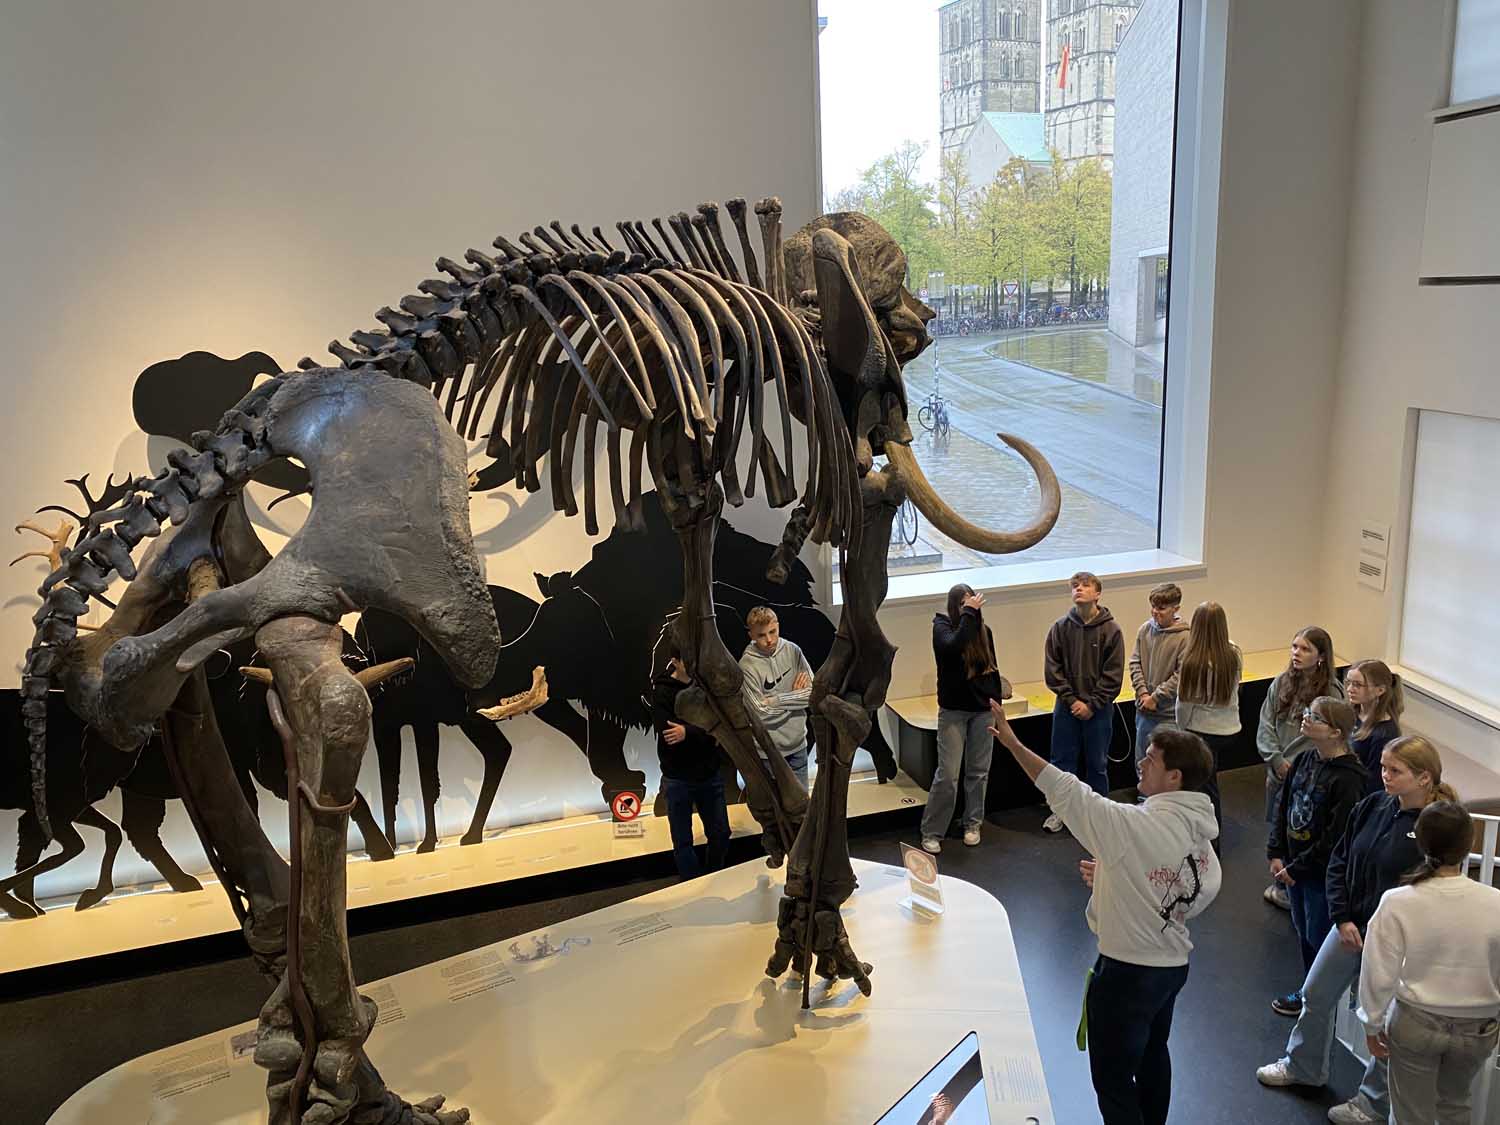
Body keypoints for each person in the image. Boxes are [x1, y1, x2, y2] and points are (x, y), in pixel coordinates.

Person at [987, 703, 1221, 1125]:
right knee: (1153, 1054)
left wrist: (1013, 743)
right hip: (1171, 968)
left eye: (1151, 758)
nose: (1141, 762)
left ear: (1175, 777)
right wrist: (1117, 878)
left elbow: (1066, 790)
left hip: (1126, 974)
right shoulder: (1200, 834)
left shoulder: (1129, 825)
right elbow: (1197, 889)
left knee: (1112, 1079)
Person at [1256, 735, 1458, 1124]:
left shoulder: (1436, 827)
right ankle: (1304, 1067)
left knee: (1388, 1024)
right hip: (1349, 928)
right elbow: (1340, 859)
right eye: (1383, 767)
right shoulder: (1372, 805)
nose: (1384, 776)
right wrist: (1342, 917)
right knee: (1315, 994)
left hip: (1399, 943)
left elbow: (1433, 891)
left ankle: (1372, 1104)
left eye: (1394, 771)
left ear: (1424, 777)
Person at [1359, 801, 1500, 1125]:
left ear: (1420, 842)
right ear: (1469, 845)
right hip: (1477, 1028)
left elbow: (1379, 971)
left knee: (1410, 1115)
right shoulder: (1495, 902)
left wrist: (1372, 1023)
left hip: (1416, 1023)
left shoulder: (1398, 902)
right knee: (1455, 1107)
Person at [1267, 696, 1367, 1017]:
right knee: (1303, 930)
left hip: (1319, 874)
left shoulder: (1349, 778)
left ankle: (1318, 997)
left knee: (1319, 934)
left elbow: (1336, 835)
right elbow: (1282, 807)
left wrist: (1298, 867)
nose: (1306, 719)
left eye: (1316, 718)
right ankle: (1310, 989)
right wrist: (1276, 851)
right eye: (1308, 712)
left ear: (1337, 732)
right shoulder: (1305, 760)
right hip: (1294, 868)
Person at [1258, 625, 1344, 908]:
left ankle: (1297, 887)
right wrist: (1276, 760)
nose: (1297, 653)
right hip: (1278, 770)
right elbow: (1266, 724)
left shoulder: (1332, 692)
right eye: (1294, 647)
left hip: (1308, 776)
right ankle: (1280, 882)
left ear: (1321, 656)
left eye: (1305, 648)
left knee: (1303, 831)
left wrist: (1296, 768)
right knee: (1278, 828)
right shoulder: (1281, 682)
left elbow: (1330, 736)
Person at [920, 584, 1005, 854]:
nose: (969, 610)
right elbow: (953, 647)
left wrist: (996, 706)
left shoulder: (984, 632)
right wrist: (969, 614)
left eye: (971, 605)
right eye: (963, 605)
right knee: (947, 774)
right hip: (954, 712)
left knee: (978, 772)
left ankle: (972, 824)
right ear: (954, 606)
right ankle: (932, 831)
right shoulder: (941, 628)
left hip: (983, 710)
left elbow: (992, 670)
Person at [1043, 571, 1125, 832]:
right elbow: (1052, 669)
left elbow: (1113, 674)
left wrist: (1091, 704)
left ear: (1098, 593)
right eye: (1075, 586)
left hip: (1098, 711)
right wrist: (1071, 700)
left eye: (1085, 585)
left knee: (1096, 763)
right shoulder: (1060, 628)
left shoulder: (1111, 630)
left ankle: (1098, 816)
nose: (1079, 589)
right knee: (1062, 763)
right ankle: (1061, 812)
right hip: (1066, 709)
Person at [649, 649, 731, 880]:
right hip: (677, 778)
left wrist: (688, 731)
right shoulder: (663, 691)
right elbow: (669, 734)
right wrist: (706, 732)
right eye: (689, 660)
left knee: (721, 833)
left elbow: (721, 724)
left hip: (709, 773)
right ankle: (692, 885)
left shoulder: (706, 686)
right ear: (675, 661)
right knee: (682, 840)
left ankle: (715, 877)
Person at [1173, 601, 1242, 849]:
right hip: (1230, 729)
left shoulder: (1193, 661)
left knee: (1204, 790)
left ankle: (1211, 846)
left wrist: (1181, 731)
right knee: (1208, 783)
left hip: (1202, 732)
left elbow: (1184, 704)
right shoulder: (1234, 653)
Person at [739, 606, 814, 790]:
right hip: (768, 753)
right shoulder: (746, 665)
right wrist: (796, 696)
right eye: (761, 635)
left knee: (802, 810)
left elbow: (813, 694)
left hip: (798, 747)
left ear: (778, 626)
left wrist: (776, 700)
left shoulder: (793, 651)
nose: (769, 640)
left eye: (773, 632)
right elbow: (760, 713)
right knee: (776, 811)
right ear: (751, 636)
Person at [1129, 582, 1189, 762]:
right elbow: (1134, 663)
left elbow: (1181, 676)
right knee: (1142, 762)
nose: (1155, 612)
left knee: (1166, 765)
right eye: (1153, 607)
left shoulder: (1185, 637)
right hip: (1144, 711)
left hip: (1168, 715)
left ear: (1175, 608)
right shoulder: (1144, 630)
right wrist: (1143, 693)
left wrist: (1156, 698)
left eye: (1161, 608)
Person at [1345, 659, 1404, 797]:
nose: (1349, 689)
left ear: (1380, 690)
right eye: (1348, 682)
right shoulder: (1349, 712)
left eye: (1358, 685)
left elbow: (1374, 785)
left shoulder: (1384, 734)